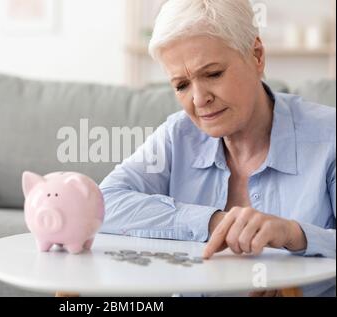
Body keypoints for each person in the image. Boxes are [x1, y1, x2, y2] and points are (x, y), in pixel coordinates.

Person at [98, 0, 335, 297]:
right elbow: (102, 204)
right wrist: (213, 222)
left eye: (212, 74)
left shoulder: (329, 137)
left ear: (257, 55)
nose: (198, 99)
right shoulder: (177, 135)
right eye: (182, 85)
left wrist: (294, 235)